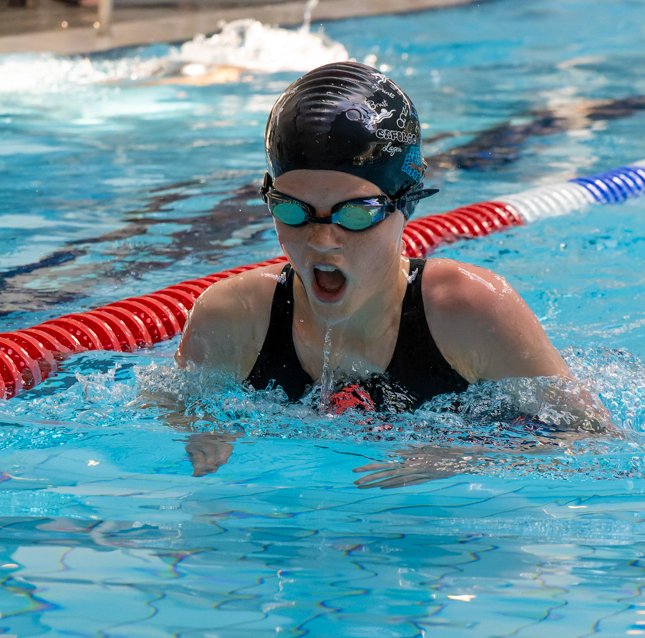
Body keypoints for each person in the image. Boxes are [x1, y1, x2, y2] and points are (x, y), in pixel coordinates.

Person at [176, 61, 589, 420]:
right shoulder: (230, 320)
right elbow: (168, 421)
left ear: (406, 203)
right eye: (292, 211)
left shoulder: (472, 311)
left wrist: (454, 458)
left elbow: (585, 436)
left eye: (355, 213)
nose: (321, 239)